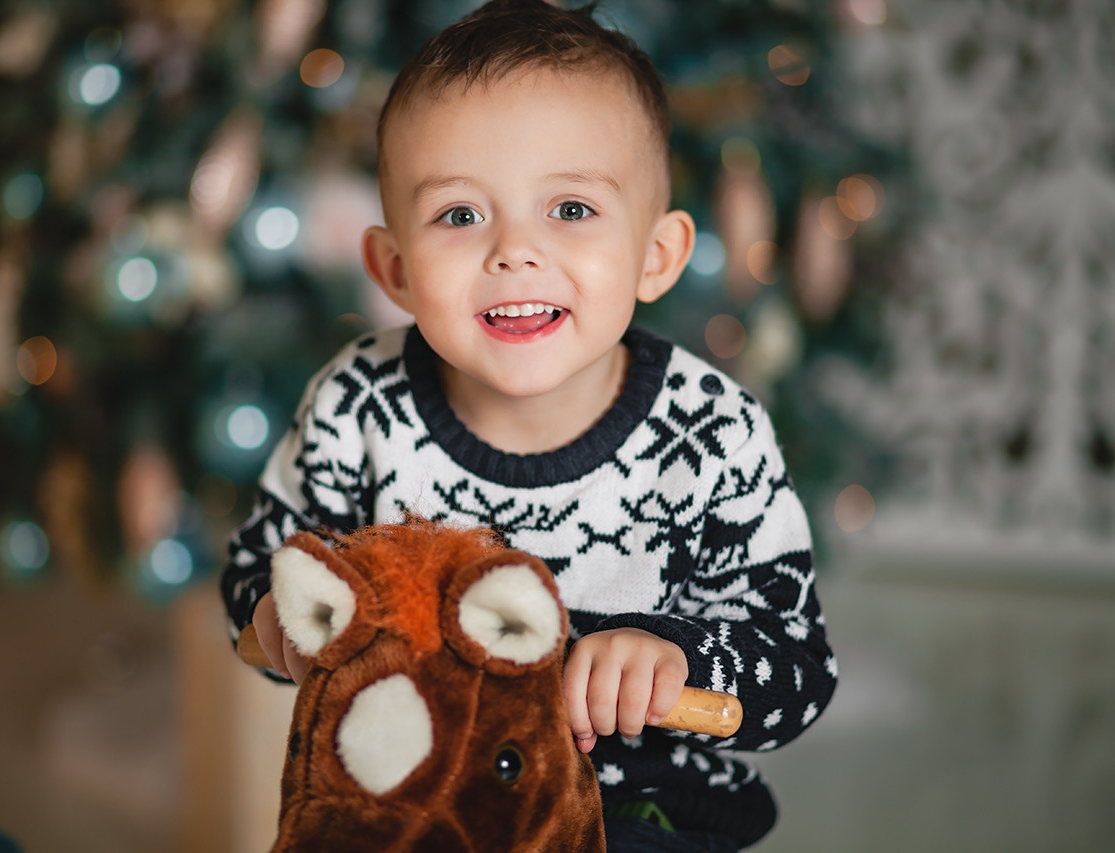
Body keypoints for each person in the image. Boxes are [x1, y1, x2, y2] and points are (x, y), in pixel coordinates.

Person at [222, 1, 836, 849]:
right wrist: (277, 624)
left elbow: (796, 665)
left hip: (633, 808)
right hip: (416, 793)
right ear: (393, 269)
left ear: (656, 256)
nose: (514, 250)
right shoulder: (357, 403)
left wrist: (676, 657)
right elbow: (261, 567)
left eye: (572, 210)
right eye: (460, 215)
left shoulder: (710, 429)